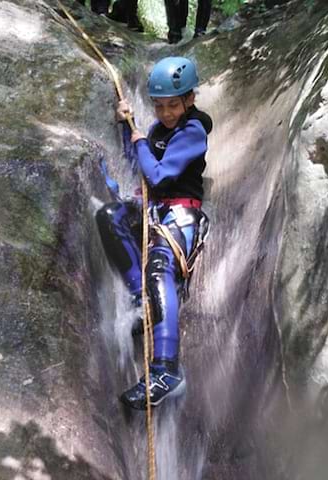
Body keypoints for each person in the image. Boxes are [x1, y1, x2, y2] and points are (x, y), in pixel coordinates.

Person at [96, 57, 213, 409]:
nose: (165, 113)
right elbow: (140, 165)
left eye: (172, 105)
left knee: (161, 267)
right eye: (159, 106)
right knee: (109, 216)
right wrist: (126, 128)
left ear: (189, 100)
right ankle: (142, 302)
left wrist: (140, 141)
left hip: (180, 214)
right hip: (154, 210)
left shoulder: (193, 131)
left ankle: (166, 371)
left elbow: (160, 176)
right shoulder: (159, 131)